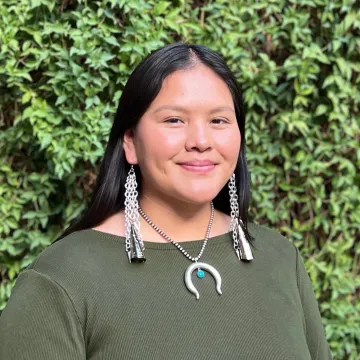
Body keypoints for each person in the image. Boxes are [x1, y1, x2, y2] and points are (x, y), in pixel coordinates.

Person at [0, 42, 332, 359]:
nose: (201, 141)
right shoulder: (61, 280)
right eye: (174, 120)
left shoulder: (280, 259)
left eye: (218, 120)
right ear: (130, 141)